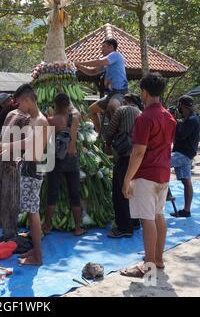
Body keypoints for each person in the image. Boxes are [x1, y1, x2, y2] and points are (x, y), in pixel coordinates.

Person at [121, 73, 176, 278]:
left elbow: (138, 152)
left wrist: (127, 179)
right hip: (163, 173)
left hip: (146, 174)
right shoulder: (169, 117)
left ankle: (149, 264)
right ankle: (158, 260)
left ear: (144, 92)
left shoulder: (145, 117)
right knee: (158, 215)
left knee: (148, 219)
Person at [1, 84, 49, 266]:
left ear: (28, 100)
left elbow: (29, 142)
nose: (18, 106)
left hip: (33, 168)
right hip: (29, 166)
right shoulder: (33, 118)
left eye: (20, 102)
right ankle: (35, 250)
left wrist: (7, 146)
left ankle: (37, 257)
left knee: (32, 211)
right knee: (30, 211)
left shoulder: (39, 120)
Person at [43, 93, 86, 236]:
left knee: (52, 193)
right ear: (67, 105)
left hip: (56, 159)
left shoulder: (51, 120)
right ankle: (78, 227)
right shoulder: (75, 118)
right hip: (72, 158)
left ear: (55, 105)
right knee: (74, 193)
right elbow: (74, 110)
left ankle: (47, 226)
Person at [105, 93, 143, 238]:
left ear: (125, 101)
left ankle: (124, 227)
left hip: (125, 155)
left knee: (120, 191)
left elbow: (110, 131)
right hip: (138, 157)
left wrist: (107, 145)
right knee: (133, 190)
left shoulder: (122, 110)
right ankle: (134, 221)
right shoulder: (140, 112)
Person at [0, 98, 31, 242]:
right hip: (11, 161)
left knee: (2, 195)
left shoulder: (11, 114)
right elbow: (27, 143)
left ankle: (5, 227)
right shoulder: (26, 118)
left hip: (1, 158)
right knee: (11, 198)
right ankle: (10, 234)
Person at [75, 38, 128, 134]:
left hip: (120, 92)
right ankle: (100, 136)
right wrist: (80, 67)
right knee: (91, 110)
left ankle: (119, 134)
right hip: (110, 94)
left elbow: (100, 61)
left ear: (111, 47)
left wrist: (80, 62)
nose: (101, 49)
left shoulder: (115, 55)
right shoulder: (107, 63)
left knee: (113, 105)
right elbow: (93, 71)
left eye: (103, 46)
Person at [170, 95, 200, 218]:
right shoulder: (190, 119)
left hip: (183, 154)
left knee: (159, 164)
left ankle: (158, 200)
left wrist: (173, 120)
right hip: (185, 153)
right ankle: (186, 211)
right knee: (186, 181)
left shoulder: (192, 120)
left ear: (182, 106)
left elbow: (180, 134)